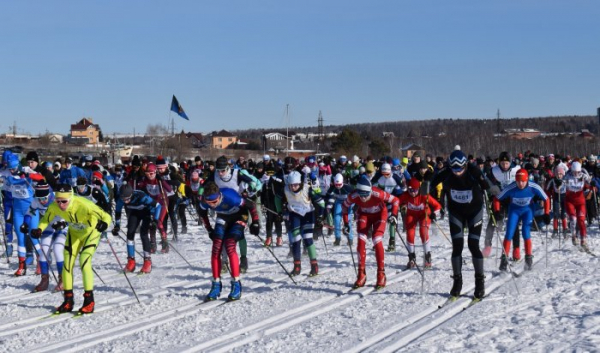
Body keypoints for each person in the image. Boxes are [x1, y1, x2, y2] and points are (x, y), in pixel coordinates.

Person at [31, 184, 112, 314]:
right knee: (67, 266)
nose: (61, 204)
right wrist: (39, 229)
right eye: (58, 201)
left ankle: (89, 301)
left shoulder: (84, 204)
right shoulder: (54, 206)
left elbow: (106, 216)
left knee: (84, 262)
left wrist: (104, 224)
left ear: (71, 198)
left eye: (64, 201)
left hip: (91, 233)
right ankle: (68, 301)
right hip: (74, 234)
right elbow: (46, 219)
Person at [431, 150, 490, 300]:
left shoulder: (473, 171)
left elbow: (487, 186)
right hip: (456, 212)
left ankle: (479, 282)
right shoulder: (448, 172)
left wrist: (486, 185)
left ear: (465, 165)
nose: (457, 172)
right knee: (457, 246)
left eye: (460, 169)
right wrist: (427, 191)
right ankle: (457, 282)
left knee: (473, 245)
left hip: (474, 212)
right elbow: (431, 183)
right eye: (454, 169)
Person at [198, 182, 259, 302]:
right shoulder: (205, 202)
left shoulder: (232, 197)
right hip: (223, 217)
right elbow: (202, 214)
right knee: (216, 248)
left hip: (239, 216)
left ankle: (236, 284)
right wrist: (209, 230)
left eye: (215, 202)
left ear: (219, 196)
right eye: (210, 204)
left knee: (230, 245)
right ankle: (216, 284)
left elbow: (251, 205)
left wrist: (255, 222)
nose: (213, 205)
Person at [342, 175, 399, 290]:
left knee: (376, 239)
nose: (363, 198)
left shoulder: (377, 193)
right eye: (361, 195)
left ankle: (381, 274)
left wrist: (393, 214)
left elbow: (395, 200)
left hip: (379, 214)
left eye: (366, 195)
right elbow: (344, 207)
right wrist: (346, 223)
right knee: (361, 240)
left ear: (370, 191)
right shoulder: (354, 195)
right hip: (364, 215)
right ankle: (361, 274)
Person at [496, 169, 550, 271]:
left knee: (526, 232)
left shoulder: (533, 186)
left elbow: (546, 199)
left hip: (527, 211)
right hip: (514, 211)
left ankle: (528, 258)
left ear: (527, 180)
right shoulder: (511, 187)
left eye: (523, 181)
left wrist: (546, 213)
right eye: (518, 181)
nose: (520, 184)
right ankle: (504, 260)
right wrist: (497, 211)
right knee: (509, 233)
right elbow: (497, 199)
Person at [22, 181, 67, 291]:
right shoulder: (36, 200)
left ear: (49, 194)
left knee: (57, 249)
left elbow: (69, 213)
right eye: (40, 199)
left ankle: (63, 279)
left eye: (44, 198)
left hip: (61, 225)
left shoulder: (57, 199)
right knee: (43, 253)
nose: (42, 201)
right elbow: (29, 213)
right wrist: (25, 224)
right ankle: (44, 280)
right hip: (47, 227)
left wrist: (62, 223)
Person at [283, 170, 325, 276]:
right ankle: (297, 266)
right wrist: (281, 211)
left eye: (296, 185)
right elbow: (278, 199)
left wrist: (320, 217)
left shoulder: (307, 189)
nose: (293, 187)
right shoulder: (286, 189)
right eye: (291, 185)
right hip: (295, 215)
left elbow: (321, 203)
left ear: (300, 183)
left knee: (307, 238)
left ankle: (314, 266)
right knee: (295, 239)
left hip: (308, 214)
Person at [113, 184, 162, 274]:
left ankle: (147, 261)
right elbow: (118, 211)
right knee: (130, 234)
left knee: (143, 234)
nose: (126, 201)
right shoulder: (121, 199)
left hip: (147, 212)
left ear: (131, 195)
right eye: (124, 199)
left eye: (127, 199)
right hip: (135, 212)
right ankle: (131, 262)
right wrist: (117, 225)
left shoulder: (141, 196)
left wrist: (155, 220)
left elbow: (158, 206)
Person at [484, 151, 522, 259]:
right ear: (499, 163)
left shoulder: (517, 169)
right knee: (493, 221)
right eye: (502, 163)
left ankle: (516, 250)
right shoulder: (494, 170)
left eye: (507, 163)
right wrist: (490, 190)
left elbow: (524, 181)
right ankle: (487, 246)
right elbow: (488, 183)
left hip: (512, 199)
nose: (504, 166)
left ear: (510, 162)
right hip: (499, 199)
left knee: (513, 224)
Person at [397, 178, 442, 269]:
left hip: (424, 215)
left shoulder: (424, 195)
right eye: (410, 190)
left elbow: (438, 206)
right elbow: (396, 202)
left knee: (423, 232)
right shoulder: (405, 195)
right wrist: (400, 207)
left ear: (418, 189)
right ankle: (412, 257)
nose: (413, 193)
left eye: (415, 190)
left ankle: (427, 256)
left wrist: (434, 214)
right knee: (410, 234)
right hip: (412, 215)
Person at [372, 163, 405, 252]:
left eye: (387, 174)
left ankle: (392, 240)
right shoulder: (379, 176)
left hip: (392, 199)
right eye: (384, 174)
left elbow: (402, 189)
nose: (386, 176)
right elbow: (372, 185)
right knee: (379, 220)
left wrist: (402, 203)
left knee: (392, 219)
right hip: (382, 200)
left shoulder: (395, 177)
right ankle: (377, 241)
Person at [564, 161, 594, 248]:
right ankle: (574, 236)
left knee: (581, 220)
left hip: (580, 201)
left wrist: (592, 184)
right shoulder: (568, 176)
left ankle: (583, 239)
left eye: (578, 172)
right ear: (572, 170)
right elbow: (561, 183)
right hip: (570, 201)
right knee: (573, 219)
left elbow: (589, 183)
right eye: (574, 172)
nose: (576, 174)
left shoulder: (583, 176)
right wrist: (559, 183)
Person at [325, 173, 354, 246]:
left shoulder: (347, 188)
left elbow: (355, 196)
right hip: (338, 202)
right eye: (336, 185)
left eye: (339, 185)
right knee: (336, 220)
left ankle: (350, 238)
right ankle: (337, 238)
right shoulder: (332, 187)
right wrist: (329, 205)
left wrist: (353, 205)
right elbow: (328, 196)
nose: (338, 187)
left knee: (348, 221)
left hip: (347, 203)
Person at [545, 164, 568, 238]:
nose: (559, 175)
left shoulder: (565, 180)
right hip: (556, 198)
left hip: (564, 198)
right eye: (558, 174)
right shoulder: (553, 180)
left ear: (563, 174)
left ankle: (565, 229)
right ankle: (555, 229)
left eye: (561, 174)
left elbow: (570, 187)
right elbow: (547, 187)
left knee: (563, 214)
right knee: (556, 214)